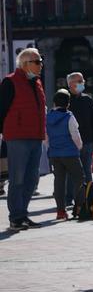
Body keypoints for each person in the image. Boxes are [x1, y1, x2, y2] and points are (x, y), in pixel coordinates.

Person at [0, 48, 46, 231]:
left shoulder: (37, 83)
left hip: (36, 136)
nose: (41, 64)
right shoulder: (10, 82)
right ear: (25, 63)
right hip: (17, 137)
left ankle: (23, 214)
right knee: (17, 178)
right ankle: (16, 217)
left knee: (32, 179)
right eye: (37, 61)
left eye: (40, 61)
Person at [47, 89, 84, 221]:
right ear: (68, 103)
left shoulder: (48, 116)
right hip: (70, 153)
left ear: (54, 102)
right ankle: (79, 208)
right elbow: (75, 135)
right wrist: (79, 147)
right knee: (79, 178)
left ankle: (60, 211)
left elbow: (46, 137)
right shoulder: (69, 116)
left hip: (54, 154)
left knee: (59, 182)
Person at [66, 72, 93, 201]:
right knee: (71, 171)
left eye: (83, 81)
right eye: (79, 81)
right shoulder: (65, 99)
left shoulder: (88, 99)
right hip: (70, 142)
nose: (82, 83)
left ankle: (89, 197)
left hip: (87, 141)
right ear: (70, 84)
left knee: (87, 171)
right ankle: (69, 198)